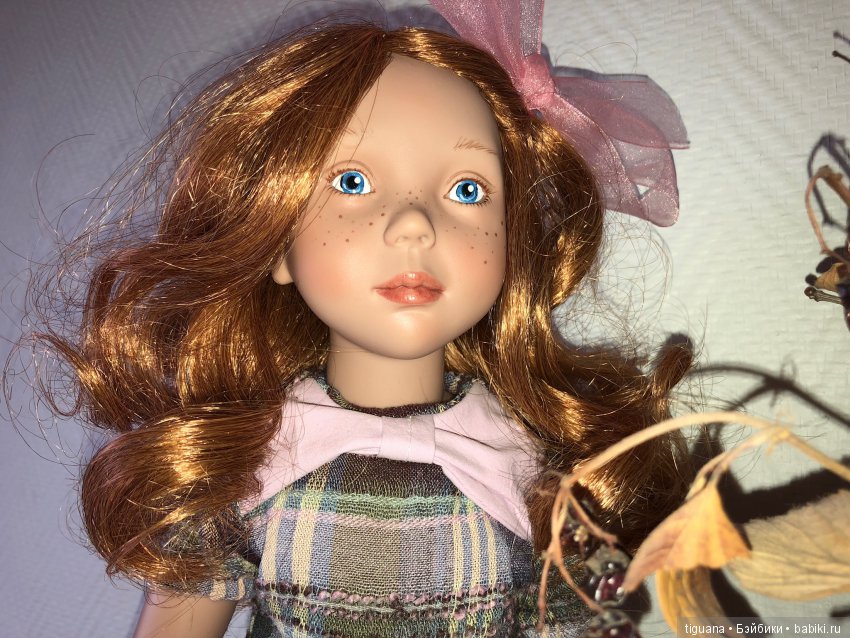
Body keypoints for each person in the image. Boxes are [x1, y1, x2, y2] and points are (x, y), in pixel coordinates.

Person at [31, 5, 692, 637]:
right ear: (277, 241)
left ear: (511, 244)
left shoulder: (535, 476)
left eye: (467, 190)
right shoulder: (243, 466)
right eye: (352, 183)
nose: (413, 224)